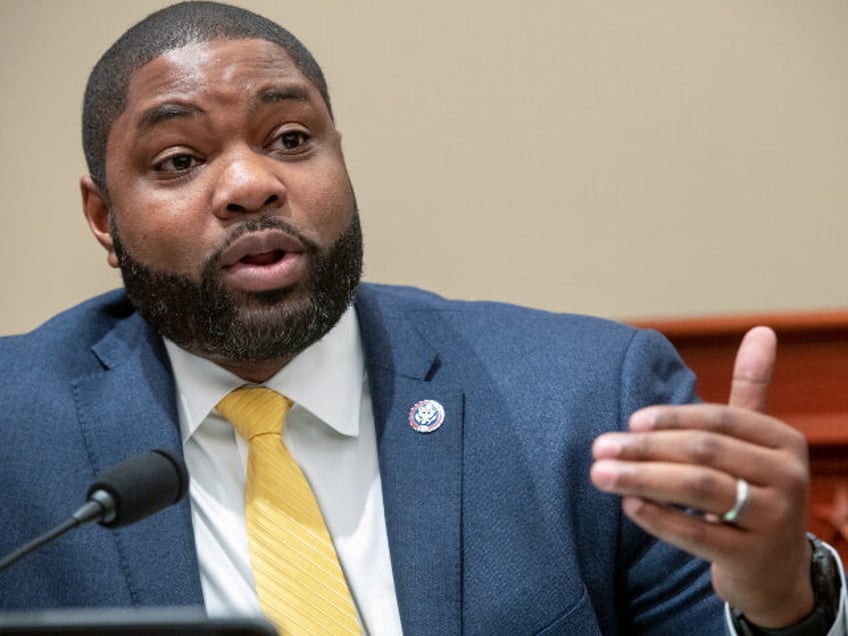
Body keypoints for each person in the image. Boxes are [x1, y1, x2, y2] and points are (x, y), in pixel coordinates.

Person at [0, 2, 843, 634]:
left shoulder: (589, 403)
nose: (252, 184)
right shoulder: (13, 431)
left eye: (292, 139)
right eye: (179, 160)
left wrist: (784, 601)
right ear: (105, 218)